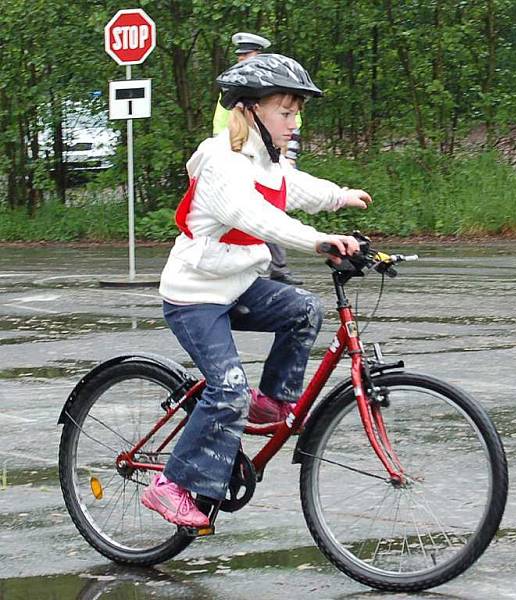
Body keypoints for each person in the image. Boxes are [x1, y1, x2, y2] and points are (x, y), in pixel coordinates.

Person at [142, 53, 373, 527]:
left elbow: (294, 187)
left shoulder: (268, 161)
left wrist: (339, 197)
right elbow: (257, 216)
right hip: (196, 294)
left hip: (240, 283)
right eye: (286, 112)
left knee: (303, 310)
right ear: (249, 111)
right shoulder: (222, 164)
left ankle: (270, 402)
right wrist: (317, 240)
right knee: (226, 389)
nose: (295, 121)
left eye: (296, 112)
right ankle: (171, 484)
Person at [213, 32, 303, 286]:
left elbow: (292, 125)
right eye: (240, 55)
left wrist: (289, 159)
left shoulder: (275, 89)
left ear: (259, 56)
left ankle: (278, 268)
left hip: (270, 159)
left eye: (247, 54)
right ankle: (238, 276)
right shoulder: (231, 90)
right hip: (236, 158)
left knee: (270, 212)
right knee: (239, 217)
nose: (241, 59)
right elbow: (220, 125)